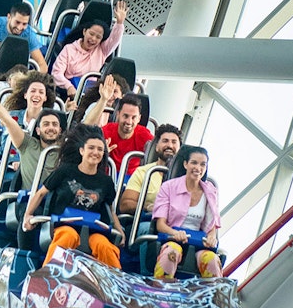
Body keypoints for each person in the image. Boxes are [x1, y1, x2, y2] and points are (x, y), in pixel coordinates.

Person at [22, 125, 125, 269]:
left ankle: (116, 285)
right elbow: (41, 193)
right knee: (68, 236)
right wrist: (28, 215)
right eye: (91, 148)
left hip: (94, 230)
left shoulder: (106, 181)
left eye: (100, 150)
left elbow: (110, 210)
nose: (95, 152)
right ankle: (47, 275)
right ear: (82, 150)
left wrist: (119, 231)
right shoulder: (65, 171)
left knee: (104, 246)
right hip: (64, 225)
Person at [0, 72, 64, 189]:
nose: (36, 95)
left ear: (45, 97)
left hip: (37, 168)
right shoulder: (14, 116)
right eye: (33, 91)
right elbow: (8, 140)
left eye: (41, 92)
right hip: (10, 165)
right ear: (26, 95)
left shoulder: (50, 121)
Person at [152, 146, 222, 279]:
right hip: (172, 238)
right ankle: (160, 293)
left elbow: (212, 226)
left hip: (199, 242)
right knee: (171, 253)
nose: (198, 168)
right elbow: (160, 225)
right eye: (194, 163)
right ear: (185, 164)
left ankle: (211, 298)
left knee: (212, 259)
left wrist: (212, 237)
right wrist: (175, 233)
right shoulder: (169, 187)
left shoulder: (210, 191)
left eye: (203, 164)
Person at [51, 0, 128, 98]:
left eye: (98, 37)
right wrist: (68, 86)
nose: (93, 39)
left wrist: (119, 23)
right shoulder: (69, 49)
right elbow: (56, 73)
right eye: (91, 34)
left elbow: (114, 40)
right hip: (67, 91)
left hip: (89, 94)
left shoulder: (102, 50)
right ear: (84, 32)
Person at [83, 76, 152, 175]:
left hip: (131, 181)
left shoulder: (145, 135)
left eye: (133, 118)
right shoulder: (107, 131)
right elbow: (85, 128)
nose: (129, 121)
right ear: (118, 114)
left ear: (139, 119)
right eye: (125, 116)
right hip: (106, 175)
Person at [118, 124, 181, 214]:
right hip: (148, 221)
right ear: (156, 147)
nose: (170, 145)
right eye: (165, 141)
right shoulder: (143, 172)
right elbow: (125, 204)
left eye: (174, 142)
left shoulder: (186, 177)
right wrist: (148, 206)